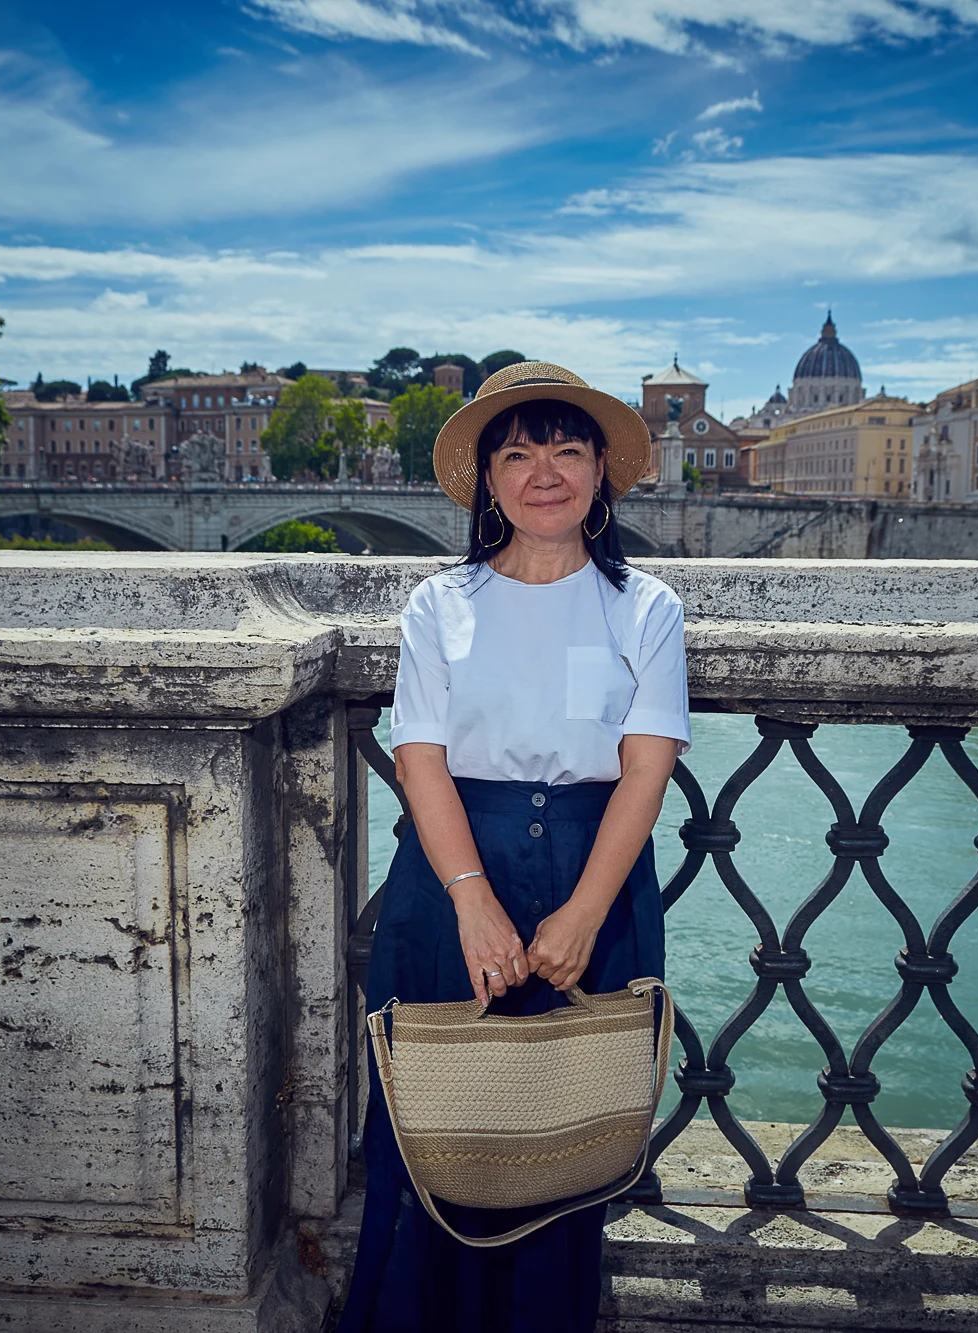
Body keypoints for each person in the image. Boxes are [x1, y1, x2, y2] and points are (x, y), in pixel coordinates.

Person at [338, 362, 690, 1333]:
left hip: (597, 870)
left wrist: (580, 913)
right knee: (442, 1115)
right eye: (518, 451)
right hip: (451, 872)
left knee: (564, 1123)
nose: (544, 470)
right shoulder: (437, 604)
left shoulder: (646, 608)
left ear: (599, 474)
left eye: (565, 449)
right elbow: (419, 762)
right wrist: (471, 897)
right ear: (487, 479)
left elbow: (645, 771)